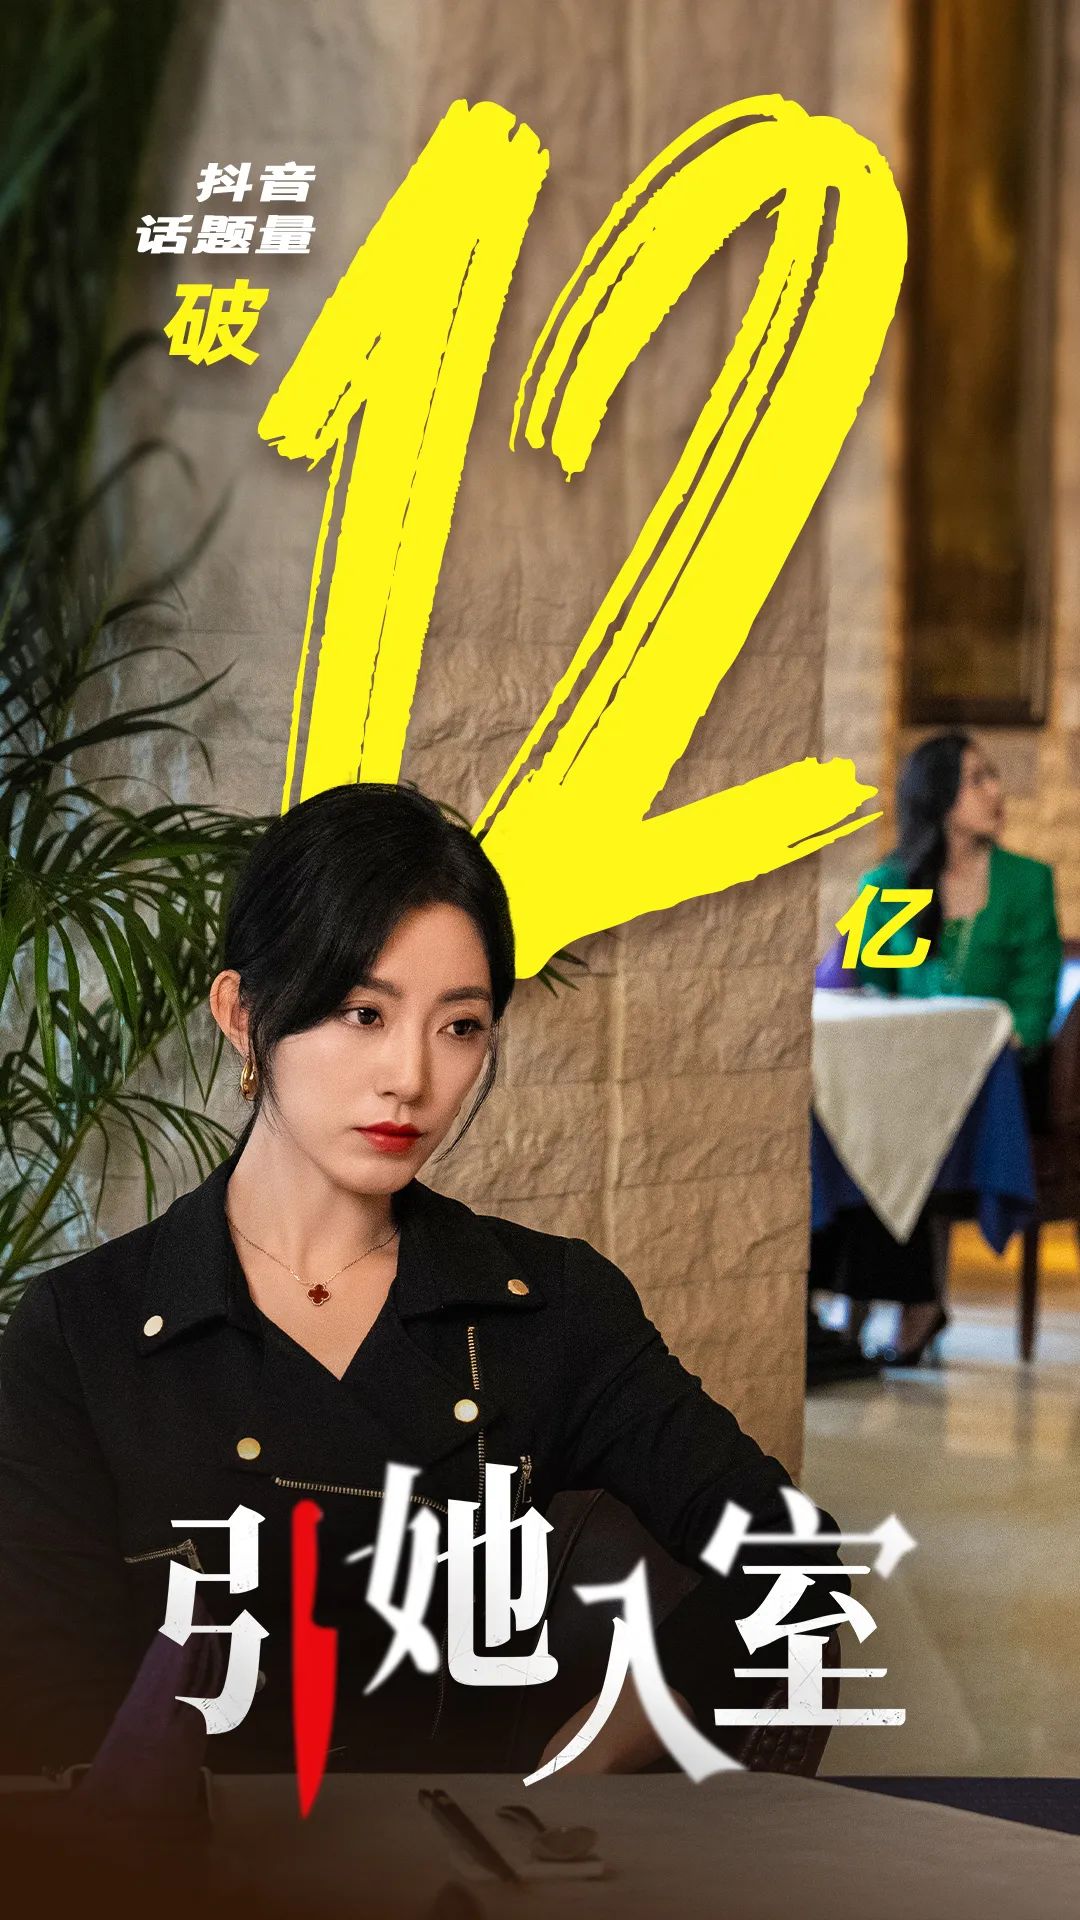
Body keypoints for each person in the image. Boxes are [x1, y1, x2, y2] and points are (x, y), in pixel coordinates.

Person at [0, 782, 845, 1782]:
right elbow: (42, 1722)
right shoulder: (80, 1333)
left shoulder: (548, 1306)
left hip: (476, 1861)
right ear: (242, 1015)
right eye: (364, 1013)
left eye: (461, 1026)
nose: (411, 1077)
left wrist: (590, 1761)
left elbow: (796, 1561)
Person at [818, 731, 1062, 1365]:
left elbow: (1034, 1005)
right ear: (939, 796)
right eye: (977, 779)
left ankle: (902, 1305)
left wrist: (989, 1040)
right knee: (848, 1114)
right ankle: (845, 1311)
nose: (996, 791)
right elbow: (864, 986)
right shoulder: (894, 883)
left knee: (893, 1118)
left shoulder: (1026, 882)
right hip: (900, 1074)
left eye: (992, 776)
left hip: (997, 1079)